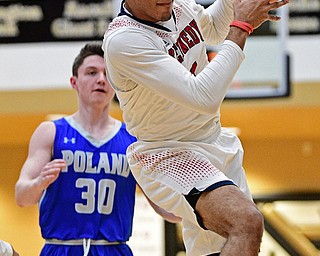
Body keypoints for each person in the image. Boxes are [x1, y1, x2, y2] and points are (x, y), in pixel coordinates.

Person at [102, 0, 289, 255]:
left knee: (219, 248)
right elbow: (204, 97)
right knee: (246, 222)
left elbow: (212, 28)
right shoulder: (124, 39)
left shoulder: (177, 6)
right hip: (167, 153)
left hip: (212, 139)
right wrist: (242, 26)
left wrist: (234, 3)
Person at [15, 42, 178, 256]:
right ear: (74, 82)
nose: (101, 79)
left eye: (107, 74)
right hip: (62, 248)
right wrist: (39, 183)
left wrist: (200, 210)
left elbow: (163, 206)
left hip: (114, 249)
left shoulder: (133, 139)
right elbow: (21, 196)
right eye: (91, 72)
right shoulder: (51, 132)